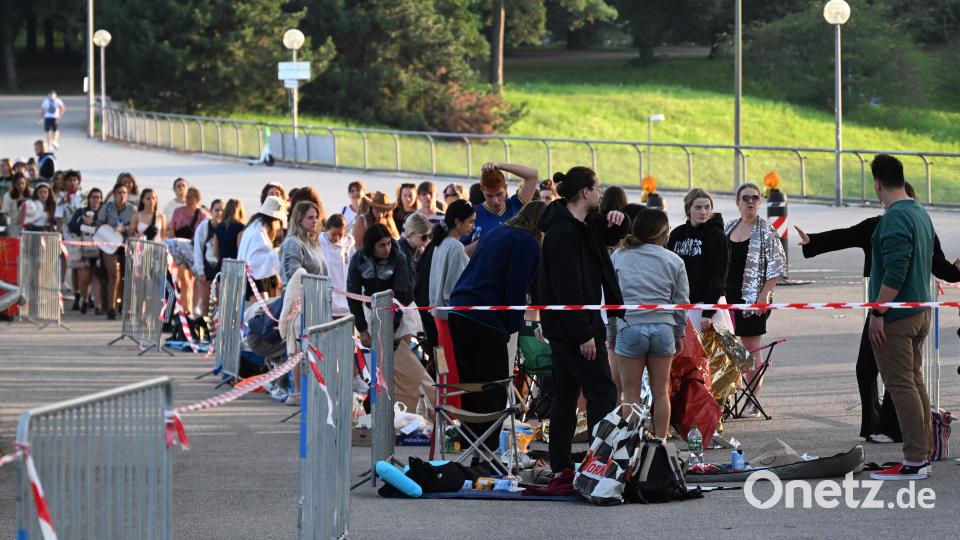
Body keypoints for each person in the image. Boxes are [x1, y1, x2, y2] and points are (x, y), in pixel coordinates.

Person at [797, 182, 960, 444]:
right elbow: (845, 235)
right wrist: (812, 241)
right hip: (879, 309)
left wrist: (956, 270)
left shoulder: (920, 226)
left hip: (902, 311)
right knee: (867, 367)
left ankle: (897, 430)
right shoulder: (877, 225)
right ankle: (875, 424)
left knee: (901, 376)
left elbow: (936, 264)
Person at [538, 166, 627, 474]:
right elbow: (567, 286)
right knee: (602, 391)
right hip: (577, 327)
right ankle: (598, 462)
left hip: (575, 325)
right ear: (584, 192)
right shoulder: (563, 232)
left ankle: (561, 465)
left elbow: (610, 233)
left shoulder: (583, 224)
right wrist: (583, 333)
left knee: (565, 394)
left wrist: (619, 220)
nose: (601, 193)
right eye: (598, 188)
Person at [448, 201, 545, 455]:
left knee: (471, 385)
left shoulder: (498, 232)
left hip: (460, 310)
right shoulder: (528, 243)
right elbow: (516, 288)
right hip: (485, 318)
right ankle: (487, 452)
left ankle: (472, 447)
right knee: (495, 388)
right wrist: (512, 328)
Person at [866, 155, 935, 482]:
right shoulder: (919, 211)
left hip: (897, 316)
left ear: (878, 182)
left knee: (900, 385)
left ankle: (915, 460)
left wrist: (878, 312)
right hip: (920, 311)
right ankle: (924, 451)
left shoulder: (894, 218)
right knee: (914, 381)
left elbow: (896, 270)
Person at [611, 209, 689, 439]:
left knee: (631, 395)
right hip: (663, 328)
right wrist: (680, 332)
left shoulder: (619, 255)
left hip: (630, 326)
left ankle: (630, 446)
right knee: (661, 392)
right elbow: (681, 302)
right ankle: (662, 442)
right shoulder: (674, 260)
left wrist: (610, 334)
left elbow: (611, 300)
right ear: (664, 232)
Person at [346, 224, 431, 411]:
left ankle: (413, 405)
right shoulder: (358, 260)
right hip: (372, 310)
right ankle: (379, 407)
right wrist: (362, 329)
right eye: (381, 246)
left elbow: (399, 297)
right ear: (371, 247)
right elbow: (352, 295)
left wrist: (387, 332)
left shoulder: (398, 258)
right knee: (379, 364)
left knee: (402, 359)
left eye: (388, 244)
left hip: (401, 311)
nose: (387, 249)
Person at [724, 182, 786, 415]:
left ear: (760, 202)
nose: (750, 201)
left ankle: (752, 398)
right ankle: (726, 395)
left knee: (750, 348)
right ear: (738, 202)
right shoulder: (728, 227)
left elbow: (777, 267)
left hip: (753, 297)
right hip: (726, 297)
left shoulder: (766, 230)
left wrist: (764, 295)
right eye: (745, 198)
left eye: (755, 198)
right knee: (727, 347)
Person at [428, 200, 476, 399]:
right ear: (458, 222)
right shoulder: (455, 247)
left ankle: (446, 415)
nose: (473, 226)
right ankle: (453, 416)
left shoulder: (441, 244)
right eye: (470, 222)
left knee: (445, 371)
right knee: (453, 372)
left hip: (438, 317)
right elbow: (453, 291)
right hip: (450, 319)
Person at [668, 188, 729, 331]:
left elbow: (718, 275)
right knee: (682, 353)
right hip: (682, 305)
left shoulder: (717, 236)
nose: (703, 212)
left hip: (709, 306)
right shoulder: (677, 234)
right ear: (688, 209)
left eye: (707, 207)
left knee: (715, 353)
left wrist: (708, 312)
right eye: (698, 207)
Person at [465, 162, 539, 256]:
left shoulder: (516, 205)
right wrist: (485, 240)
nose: (495, 201)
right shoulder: (474, 215)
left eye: (499, 194)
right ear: (482, 191)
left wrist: (500, 166)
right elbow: (459, 253)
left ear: (506, 187)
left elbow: (533, 175)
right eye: (489, 196)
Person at [96, 182, 136, 320]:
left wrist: (124, 229)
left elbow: (134, 227)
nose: (122, 196)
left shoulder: (132, 209)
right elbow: (99, 223)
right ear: (114, 194)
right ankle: (111, 307)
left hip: (125, 244)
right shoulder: (107, 208)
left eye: (124, 193)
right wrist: (108, 230)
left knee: (127, 276)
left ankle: (124, 306)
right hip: (109, 245)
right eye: (119, 193)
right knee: (114, 275)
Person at [167, 187, 210, 313]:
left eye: (191, 197)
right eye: (187, 197)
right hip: (179, 250)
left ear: (197, 199)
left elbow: (203, 236)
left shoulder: (202, 215)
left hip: (194, 251)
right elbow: (172, 230)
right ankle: (185, 309)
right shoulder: (178, 211)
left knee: (195, 279)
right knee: (184, 280)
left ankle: (193, 307)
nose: (188, 199)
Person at [238, 196, 286, 299]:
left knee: (258, 311)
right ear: (273, 220)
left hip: (251, 276)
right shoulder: (259, 231)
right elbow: (256, 260)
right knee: (260, 312)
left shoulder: (254, 226)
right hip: (255, 278)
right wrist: (278, 253)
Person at [68, 188, 103, 314]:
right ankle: (84, 300)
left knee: (97, 277)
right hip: (83, 250)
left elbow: (106, 228)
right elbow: (71, 226)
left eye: (98, 197)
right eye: (93, 196)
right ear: (88, 198)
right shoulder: (80, 211)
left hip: (99, 249)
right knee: (84, 278)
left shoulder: (103, 212)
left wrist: (93, 224)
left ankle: (97, 304)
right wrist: (83, 224)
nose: (95, 199)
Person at [280, 200, 327, 285]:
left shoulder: (313, 243)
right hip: (302, 297)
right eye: (310, 217)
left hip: (319, 296)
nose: (315, 220)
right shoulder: (292, 242)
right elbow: (292, 278)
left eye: (316, 217)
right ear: (299, 219)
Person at [319, 214, 356, 319]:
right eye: (333, 234)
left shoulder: (349, 244)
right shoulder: (319, 243)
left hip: (345, 297)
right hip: (327, 298)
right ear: (326, 230)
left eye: (340, 234)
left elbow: (354, 267)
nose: (336, 238)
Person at [193, 199, 223, 316]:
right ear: (211, 211)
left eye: (222, 210)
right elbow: (198, 249)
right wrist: (200, 271)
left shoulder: (225, 227)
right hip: (205, 270)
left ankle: (215, 330)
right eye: (216, 210)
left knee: (219, 303)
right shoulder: (203, 227)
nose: (219, 213)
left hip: (219, 271)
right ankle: (205, 329)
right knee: (205, 302)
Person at [214, 199, 247, 264]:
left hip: (221, 266)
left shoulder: (218, 227)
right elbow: (241, 252)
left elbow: (216, 254)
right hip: (235, 267)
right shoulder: (241, 228)